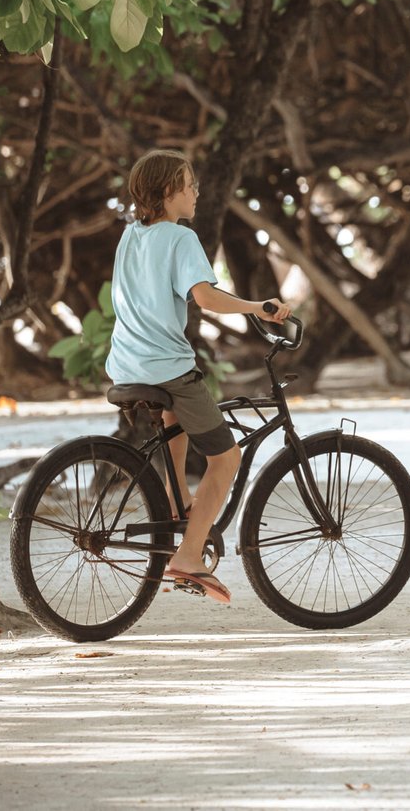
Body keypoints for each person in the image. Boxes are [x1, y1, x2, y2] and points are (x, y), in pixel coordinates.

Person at [106, 149, 291, 604]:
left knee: (177, 422)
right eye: (190, 185)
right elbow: (205, 298)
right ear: (169, 191)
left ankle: (176, 505)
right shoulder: (180, 237)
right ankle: (188, 557)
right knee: (226, 459)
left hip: (125, 364)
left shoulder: (130, 235)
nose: (196, 193)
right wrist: (257, 308)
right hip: (166, 367)